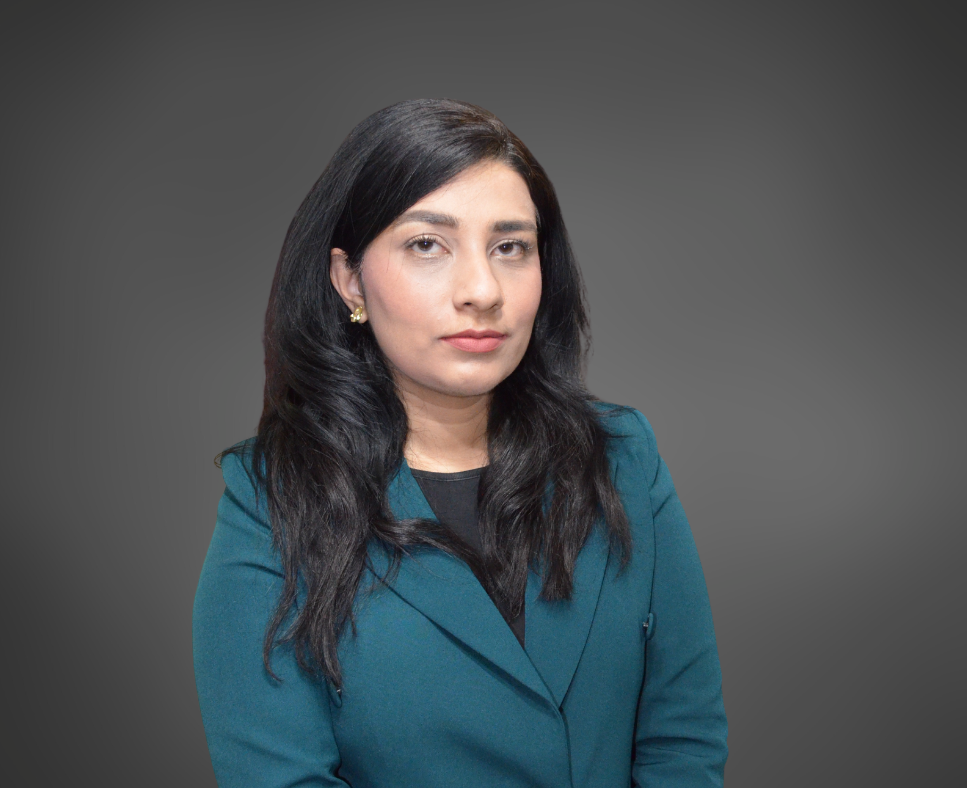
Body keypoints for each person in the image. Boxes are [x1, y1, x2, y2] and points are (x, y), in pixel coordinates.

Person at [192, 98, 728, 787]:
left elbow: (683, 741)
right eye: (427, 245)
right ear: (350, 280)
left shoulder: (623, 458)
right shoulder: (270, 500)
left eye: (511, 248)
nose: (481, 290)